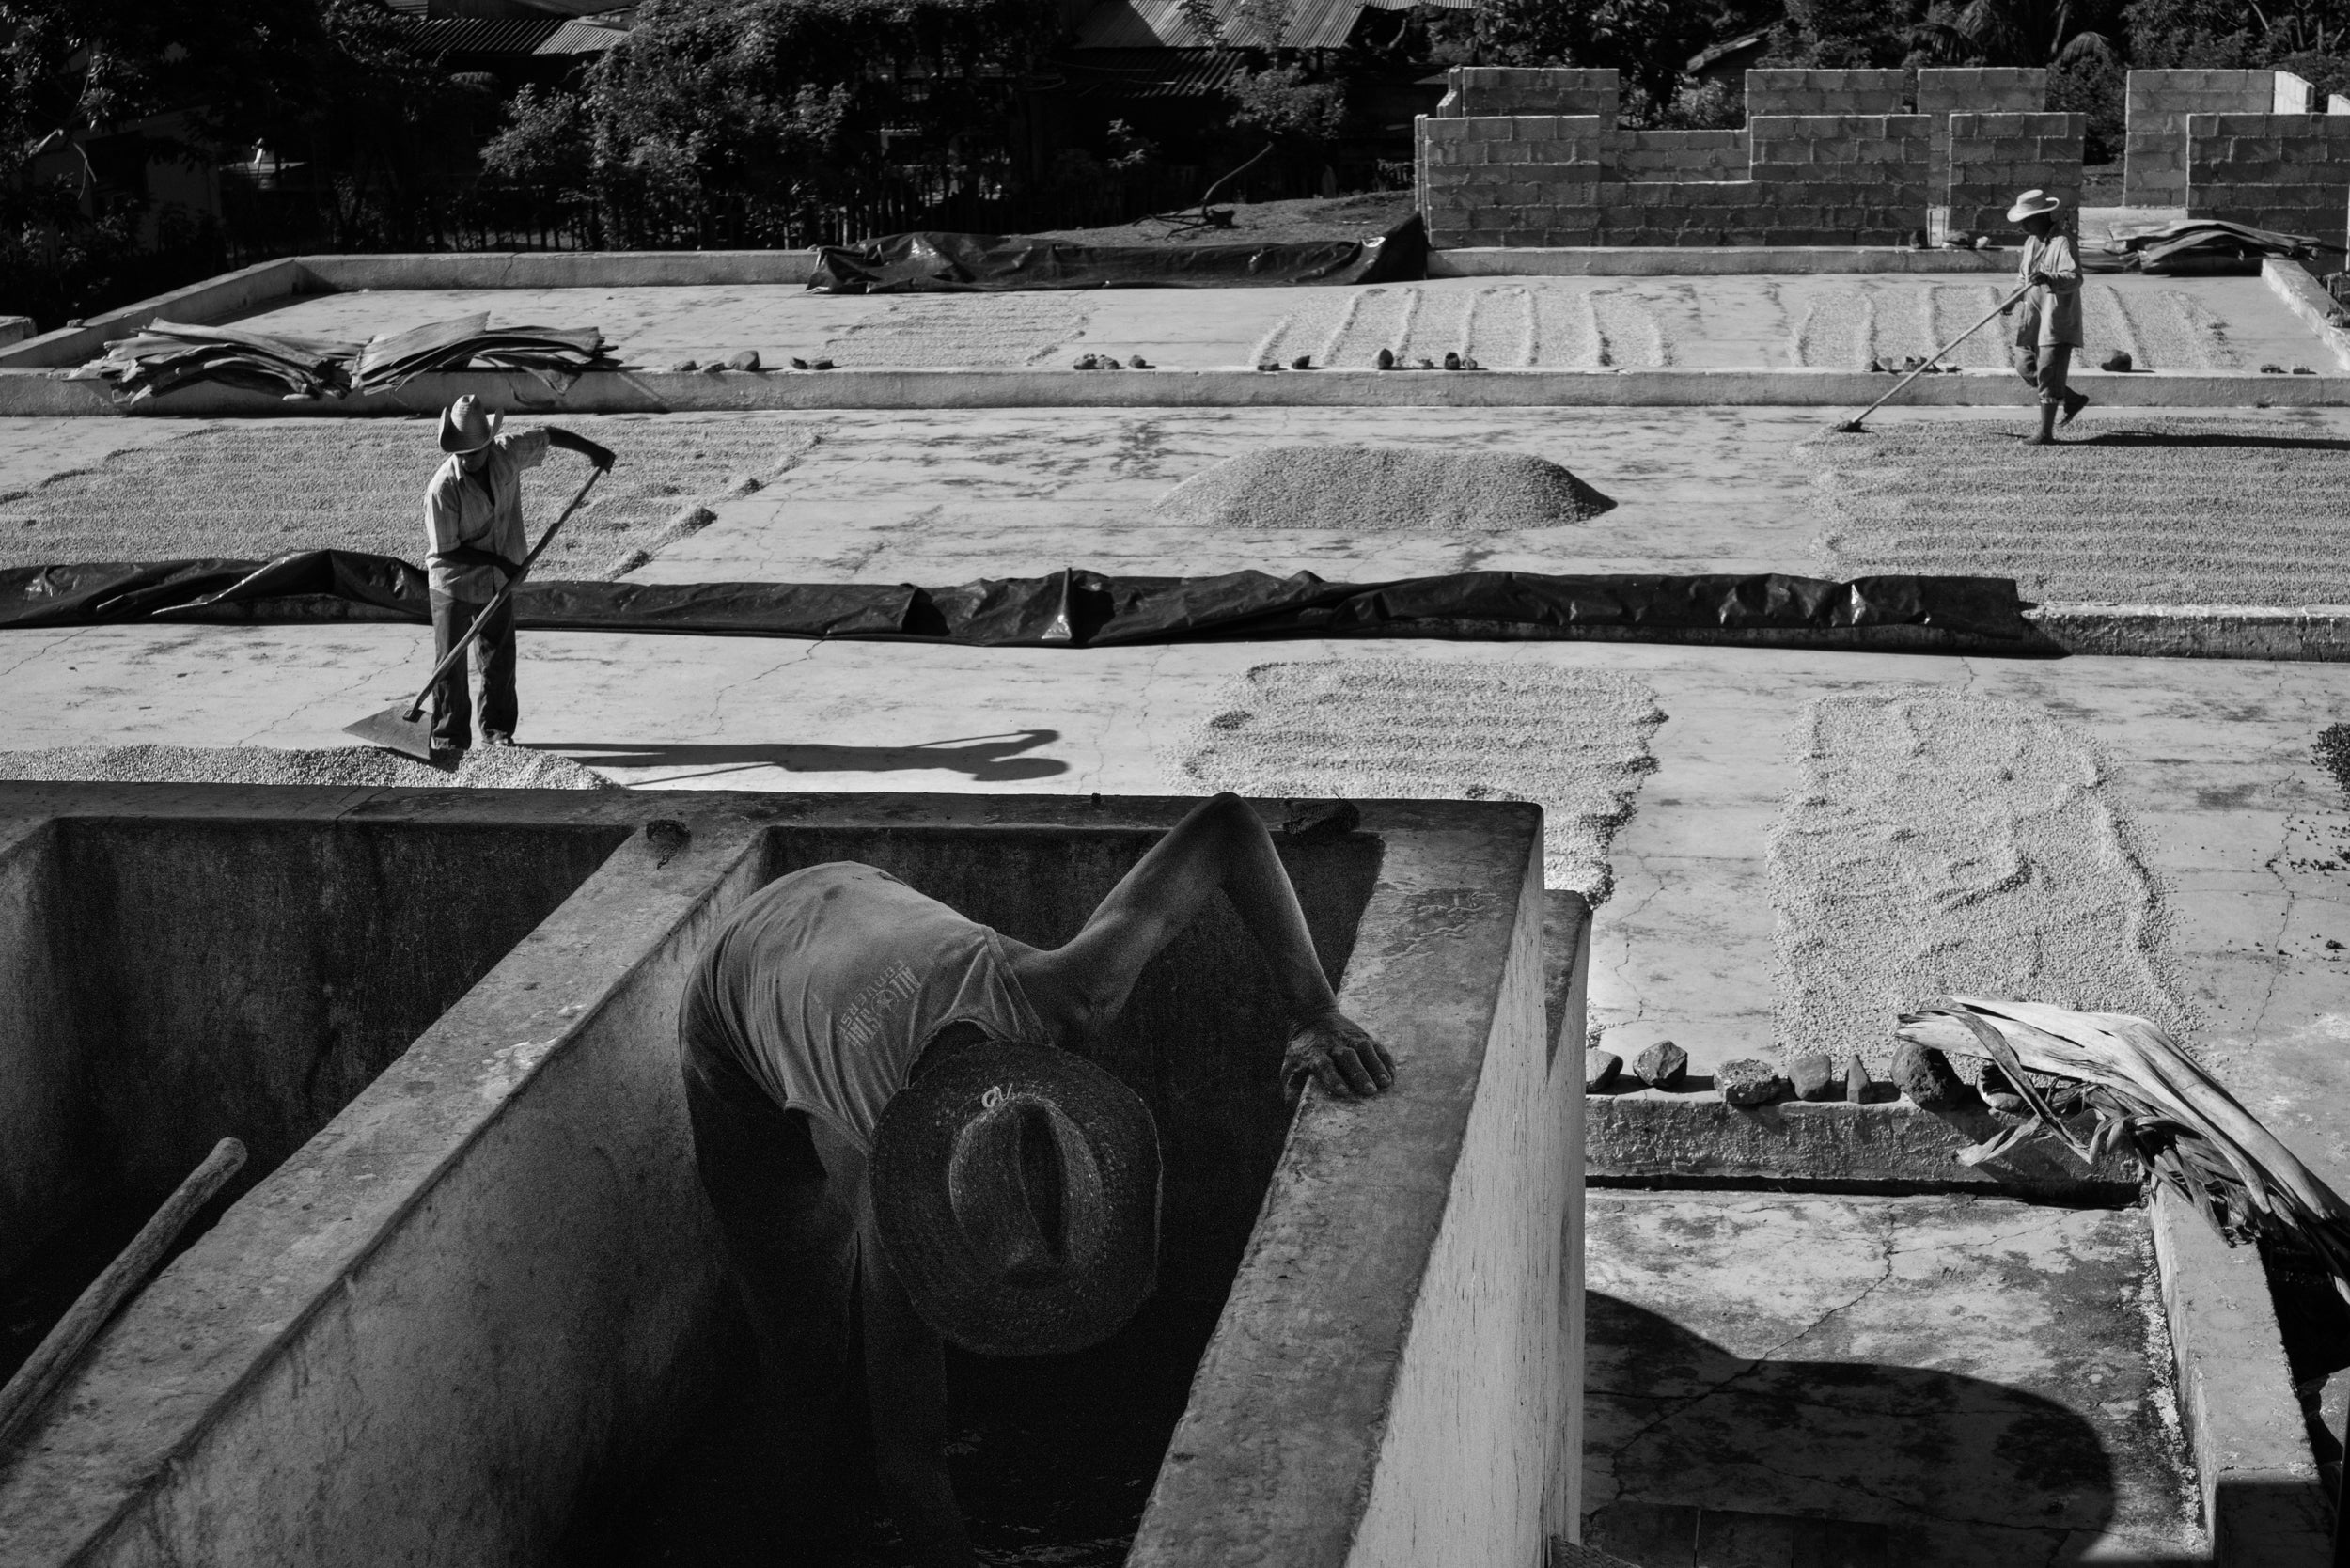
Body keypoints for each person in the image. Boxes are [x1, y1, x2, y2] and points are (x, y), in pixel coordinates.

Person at [676, 792, 1393, 1567]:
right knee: (801, 1354)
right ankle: (780, 1532)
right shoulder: (896, 1210)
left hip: (852, 889)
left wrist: (1316, 1010)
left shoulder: (1072, 994)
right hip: (733, 993)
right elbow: (910, 1468)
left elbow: (1229, 827)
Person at [422, 396, 613, 751]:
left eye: (474, 452)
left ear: (489, 443)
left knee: (498, 658)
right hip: (452, 580)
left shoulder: (507, 453)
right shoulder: (443, 488)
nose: (467, 459)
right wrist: (499, 562)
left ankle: (496, 733)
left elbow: (549, 435)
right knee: (450, 664)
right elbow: (448, 550)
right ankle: (450, 738)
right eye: (461, 453)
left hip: (499, 578)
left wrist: (594, 451)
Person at [2001, 189, 2090, 446]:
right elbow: (2023, 278)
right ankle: (2071, 399)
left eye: (2026, 220)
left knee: (2049, 373)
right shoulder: (2031, 243)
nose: (2022, 226)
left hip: (2056, 319)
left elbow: (2075, 277)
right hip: (2034, 317)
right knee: (2026, 367)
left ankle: (2045, 433)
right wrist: (2013, 298)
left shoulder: (2063, 242)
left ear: (2042, 216)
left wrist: (2051, 278)